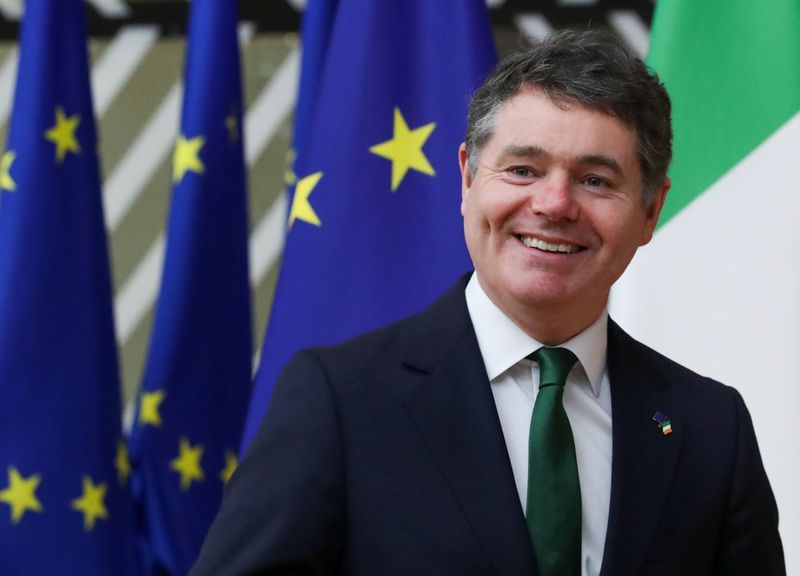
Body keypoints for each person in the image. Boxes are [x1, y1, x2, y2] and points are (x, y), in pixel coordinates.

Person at [190, 30, 785, 576]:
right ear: (468, 179)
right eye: (523, 169)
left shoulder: (711, 428)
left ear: (650, 211)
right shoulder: (340, 401)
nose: (554, 204)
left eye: (596, 180)